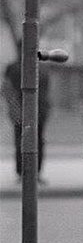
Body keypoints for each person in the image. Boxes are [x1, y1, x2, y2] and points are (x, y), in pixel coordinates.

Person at [1, 47, 51, 184]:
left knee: (25, 142)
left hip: (31, 112)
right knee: (34, 142)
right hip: (31, 111)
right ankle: (31, 172)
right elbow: (7, 89)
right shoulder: (39, 68)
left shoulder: (15, 67)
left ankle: (26, 172)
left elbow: (6, 89)